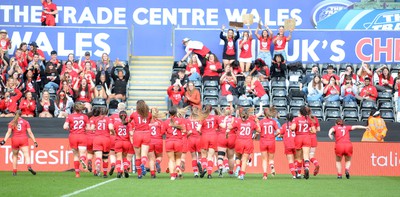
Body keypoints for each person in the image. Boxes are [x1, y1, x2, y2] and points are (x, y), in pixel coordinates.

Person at [0, 110, 38, 176]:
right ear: (21, 114)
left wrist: (4, 140)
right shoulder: (26, 122)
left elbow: (9, 132)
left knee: (15, 156)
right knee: (26, 154)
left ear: (15, 114)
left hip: (15, 139)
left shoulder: (12, 122)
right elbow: (30, 132)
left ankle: (14, 171)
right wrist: (35, 141)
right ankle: (29, 166)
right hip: (23, 139)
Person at [228, 108, 260, 180]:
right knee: (245, 159)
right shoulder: (251, 123)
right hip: (248, 142)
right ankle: (242, 174)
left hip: (239, 141)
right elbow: (259, 130)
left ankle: (238, 166)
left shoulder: (238, 121)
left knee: (238, 156)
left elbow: (230, 127)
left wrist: (232, 122)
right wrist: (257, 122)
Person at [63, 103, 89, 178]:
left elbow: (65, 127)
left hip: (73, 136)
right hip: (82, 136)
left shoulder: (70, 116)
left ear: (74, 108)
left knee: (75, 155)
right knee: (83, 153)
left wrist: (70, 128)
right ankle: (82, 159)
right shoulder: (85, 117)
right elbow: (87, 128)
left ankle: (77, 173)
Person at [291, 106, 316, 179]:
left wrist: (291, 128)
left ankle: (298, 173)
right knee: (306, 155)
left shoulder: (296, 119)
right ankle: (307, 168)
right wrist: (308, 131)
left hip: (298, 137)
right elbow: (314, 131)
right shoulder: (309, 120)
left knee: (299, 157)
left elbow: (292, 128)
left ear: (300, 112)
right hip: (307, 137)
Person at [162, 106, 186, 180]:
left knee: (171, 159)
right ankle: (178, 168)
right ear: (176, 113)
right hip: (178, 141)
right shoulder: (180, 121)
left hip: (169, 142)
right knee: (178, 158)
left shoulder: (166, 122)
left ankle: (172, 176)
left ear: (169, 113)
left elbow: (162, 132)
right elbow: (184, 131)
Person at [129, 100, 152, 179]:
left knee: (137, 155)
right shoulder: (149, 114)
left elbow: (128, 121)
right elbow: (149, 122)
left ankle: (139, 174)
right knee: (144, 154)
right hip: (146, 133)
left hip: (137, 134)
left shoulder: (134, 114)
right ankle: (143, 164)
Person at [197, 104, 219, 179]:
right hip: (213, 136)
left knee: (203, 155)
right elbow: (222, 125)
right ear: (211, 110)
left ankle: (204, 168)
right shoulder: (215, 117)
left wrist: (201, 133)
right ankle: (209, 174)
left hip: (204, 137)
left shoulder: (202, 118)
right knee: (210, 156)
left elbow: (198, 129)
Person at [91, 107, 113, 178]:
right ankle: (105, 173)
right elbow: (110, 128)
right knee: (105, 157)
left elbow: (92, 128)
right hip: (106, 139)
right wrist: (113, 132)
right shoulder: (108, 119)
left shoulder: (96, 119)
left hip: (97, 138)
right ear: (107, 112)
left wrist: (96, 129)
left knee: (98, 157)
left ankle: (97, 164)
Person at [258, 107, 280, 179]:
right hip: (271, 141)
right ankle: (272, 166)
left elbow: (258, 131)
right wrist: (274, 136)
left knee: (264, 159)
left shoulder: (261, 122)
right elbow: (279, 131)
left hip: (263, 141)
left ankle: (265, 175)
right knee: (271, 159)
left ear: (264, 114)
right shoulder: (273, 122)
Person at [216, 104, 236, 177]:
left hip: (222, 136)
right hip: (232, 137)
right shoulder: (234, 119)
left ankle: (220, 167)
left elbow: (217, 127)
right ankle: (231, 172)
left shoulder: (220, 118)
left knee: (220, 156)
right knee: (230, 157)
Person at [112, 111, 134, 178]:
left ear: (119, 116)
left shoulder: (116, 123)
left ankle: (119, 171)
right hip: (126, 142)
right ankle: (125, 168)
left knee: (118, 158)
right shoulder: (129, 124)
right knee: (125, 157)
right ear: (126, 116)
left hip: (118, 142)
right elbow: (131, 133)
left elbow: (113, 130)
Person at [148, 108, 166, 178]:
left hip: (149, 141)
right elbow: (163, 132)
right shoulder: (160, 122)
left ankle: (152, 174)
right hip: (158, 141)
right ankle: (157, 162)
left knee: (151, 159)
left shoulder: (147, 122)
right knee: (159, 156)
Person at [278, 113, 297, 178]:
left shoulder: (284, 125)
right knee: (296, 159)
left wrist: (283, 136)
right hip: (295, 143)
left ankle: (294, 175)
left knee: (290, 161)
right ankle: (297, 172)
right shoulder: (295, 125)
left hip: (287, 144)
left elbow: (280, 134)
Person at [186, 107, 203, 178]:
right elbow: (200, 130)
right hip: (198, 138)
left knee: (193, 157)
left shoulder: (188, 120)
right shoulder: (200, 120)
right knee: (200, 155)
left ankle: (195, 173)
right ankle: (199, 162)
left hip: (191, 139)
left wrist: (187, 136)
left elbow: (189, 132)